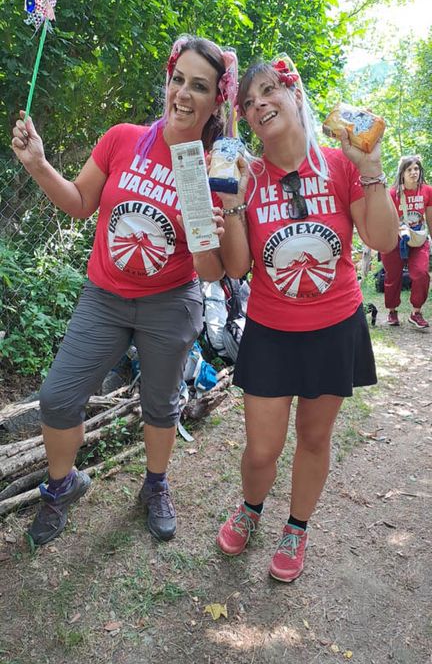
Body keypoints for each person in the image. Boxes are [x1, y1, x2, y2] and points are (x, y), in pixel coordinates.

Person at [11, 34, 238, 546]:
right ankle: (62, 485)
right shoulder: (123, 139)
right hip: (105, 296)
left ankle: (155, 485)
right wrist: (38, 164)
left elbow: (208, 273)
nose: (183, 93)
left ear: (216, 101)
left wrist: (206, 231)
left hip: (170, 302)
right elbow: (79, 202)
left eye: (199, 86)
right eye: (177, 79)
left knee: (161, 404)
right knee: (57, 399)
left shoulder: (214, 169)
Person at [215, 55, 399, 582]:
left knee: (314, 439)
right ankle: (251, 508)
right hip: (270, 331)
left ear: (295, 95)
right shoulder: (245, 175)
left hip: (334, 327)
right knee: (262, 448)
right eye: (249, 102)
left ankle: (296, 528)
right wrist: (231, 205)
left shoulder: (340, 165)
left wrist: (371, 168)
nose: (259, 105)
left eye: (269, 90)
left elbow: (384, 239)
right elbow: (237, 268)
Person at [380, 155, 432, 329]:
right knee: (392, 276)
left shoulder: (427, 191)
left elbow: (430, 218)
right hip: (395, 239)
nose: (413, 172)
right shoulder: (392, 193)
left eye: (416, 169)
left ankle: (416, 312)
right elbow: (385, 219)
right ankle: (392, 311)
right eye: (409, 169)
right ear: (402, 173)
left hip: (418, 238)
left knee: (421, 273)